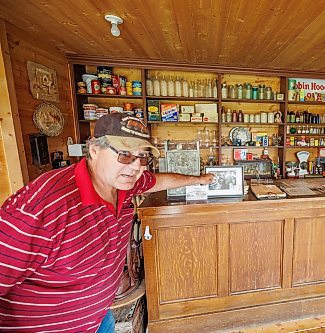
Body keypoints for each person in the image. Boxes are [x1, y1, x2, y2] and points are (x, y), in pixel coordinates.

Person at [0, 113, 214, 332]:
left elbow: (157, 180)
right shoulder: (43, 207)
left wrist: (198, 180)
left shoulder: (125, 184)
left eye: (142, 157)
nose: (135, 167)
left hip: (99, 316)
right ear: (94, 150)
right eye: (124, 154)